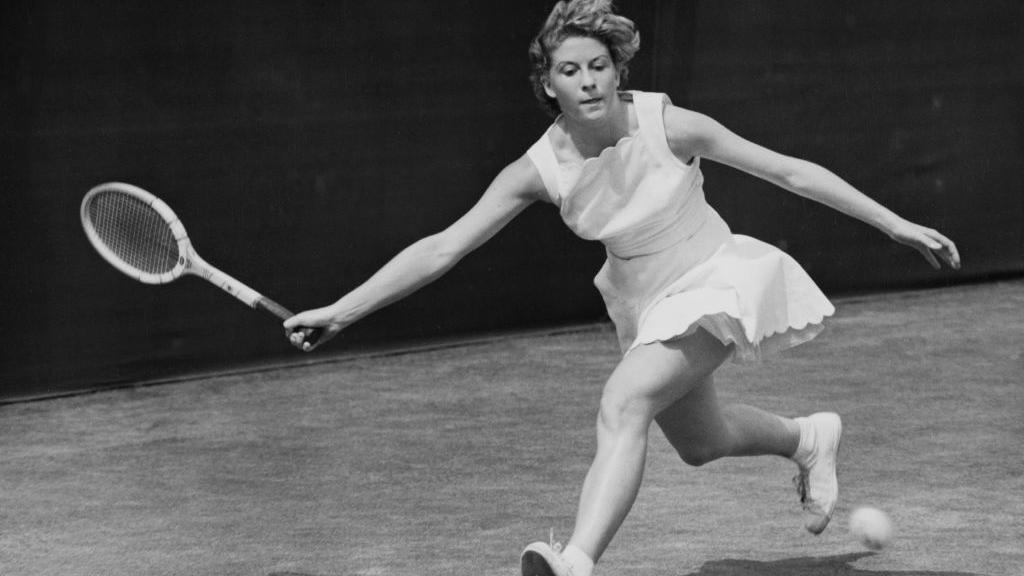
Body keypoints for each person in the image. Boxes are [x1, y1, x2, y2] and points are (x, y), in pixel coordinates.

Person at [284, 1, 961, 574]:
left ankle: (575, 561)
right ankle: (808, 437)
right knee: (702, 442)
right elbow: (443, 247)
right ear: (547, 85)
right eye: (569, 70)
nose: (588, 82)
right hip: (643, 304)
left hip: (713, 280)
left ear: (617, 71)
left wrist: (893, 222)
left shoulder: (670, 125)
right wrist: (344, 311)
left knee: (622, 402)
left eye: (598, 66)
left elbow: (788, 172)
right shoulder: (538, 170)